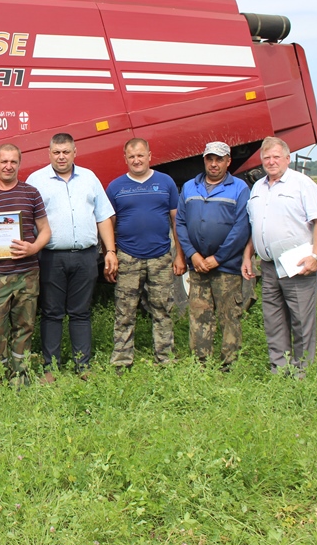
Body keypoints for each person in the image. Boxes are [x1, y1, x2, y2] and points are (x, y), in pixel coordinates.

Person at [25, 133, 117, 381]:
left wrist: (110, 251)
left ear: (75, 152)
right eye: (56, 152)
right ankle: (51, 368)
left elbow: (103, 216)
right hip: (51, 257)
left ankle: (82, 366)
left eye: (66, 151)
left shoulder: (89, 178)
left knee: (81, 312)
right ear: (49, 153)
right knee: (52, 313)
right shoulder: (36, 181)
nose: (61, 156)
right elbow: (26, 221)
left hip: (85, 257)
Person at [241, 136, 317, 374]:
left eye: (276, 157)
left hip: (297, 263)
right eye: (266, 158)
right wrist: (248, 256)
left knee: (301, 320)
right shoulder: (258, 187)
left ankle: (303, 370)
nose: (271, 162)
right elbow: (255, 226)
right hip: (268, 265)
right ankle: (279, 368)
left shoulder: (303, 184)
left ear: (287, 159)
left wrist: (315, 256)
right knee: (273, 319)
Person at [0, 143, 50, 385]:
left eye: (13, 161)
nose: (8, 166)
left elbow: (45, 230)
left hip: (27, 272)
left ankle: (20, 376)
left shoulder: (31, 193)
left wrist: (34, 247)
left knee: (24, 327)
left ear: (19, 164)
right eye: (4, 161)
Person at [106, 138, 186, 370]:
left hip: (160, 257)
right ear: (125, 159)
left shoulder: (166, 183)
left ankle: (165, 358)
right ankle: (121, 360)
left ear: (150, 155)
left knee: (162, 309)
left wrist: (180, 255)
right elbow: (108, 224)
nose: (136, 160)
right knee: (124, 311)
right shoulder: (116, 187)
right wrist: (109, 255)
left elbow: (176, 220)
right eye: (131, 157)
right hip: (127, 258)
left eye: (140, 155)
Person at [176, 142, 251, 369]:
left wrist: (218, 258)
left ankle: (229, 364)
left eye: (219, 159)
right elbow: (180, 222)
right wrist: (192, 255)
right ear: (204, 160)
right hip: (197, 267)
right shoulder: (189, 187)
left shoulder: (239, 188)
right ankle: (201, 364)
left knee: (229, 316)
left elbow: (241, 228)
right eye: (210, 159)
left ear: (228, 161)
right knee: (199, 316)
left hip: (226, 268)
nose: (214, 164)